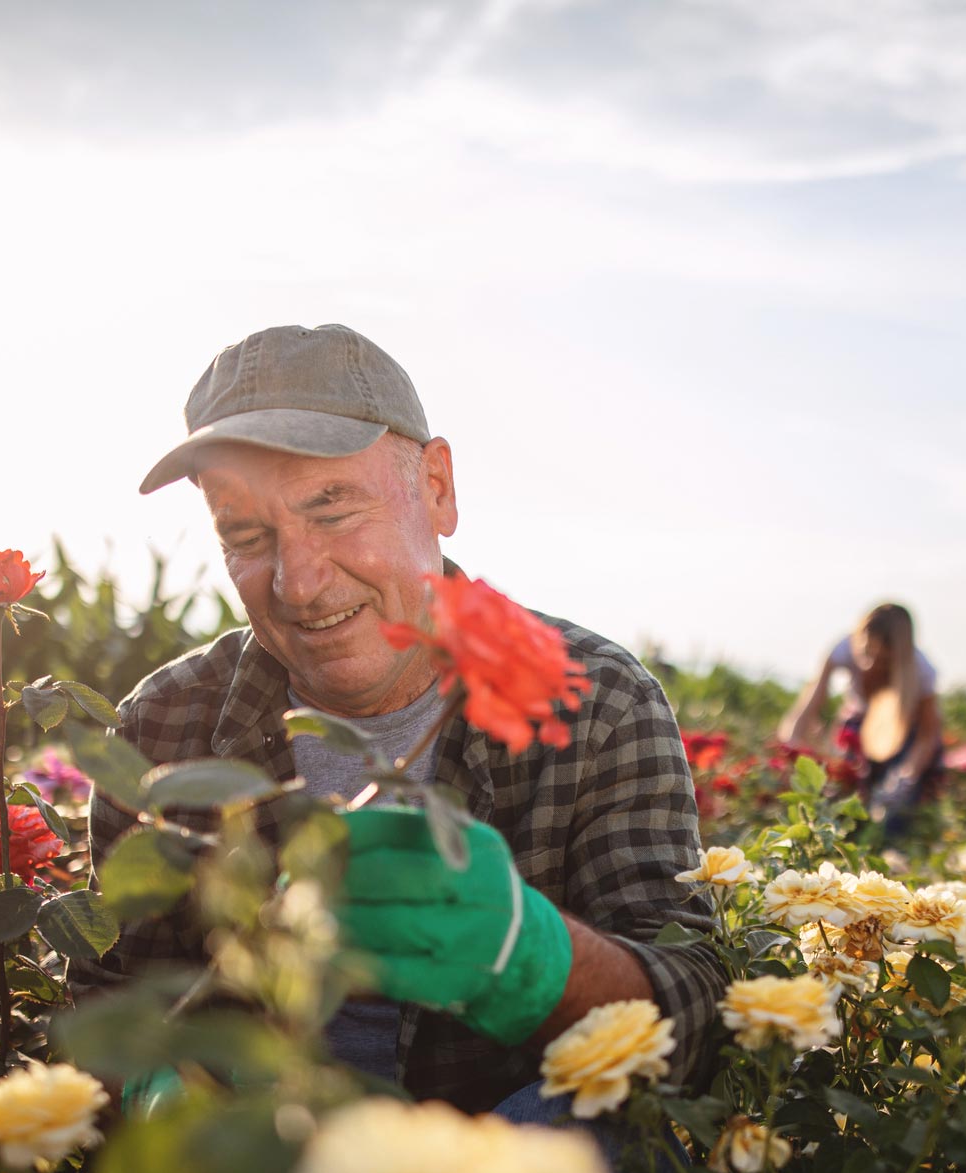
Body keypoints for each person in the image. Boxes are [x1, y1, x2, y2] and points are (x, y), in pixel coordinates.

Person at [72, 323, 723, 1115]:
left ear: (437, 489)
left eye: (333, 508)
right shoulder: (165, 725)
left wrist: (534, 960)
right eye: (245, 534)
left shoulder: (597, 700)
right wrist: (154, 1086)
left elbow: (695, 1012)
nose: (299, 584)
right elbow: (108, 998)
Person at [777, 602, 943, 837]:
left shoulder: (922, 671)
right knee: (842, 802)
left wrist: (905, 777)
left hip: (906, 738)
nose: (872, 665)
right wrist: (789, 745)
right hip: (857, 728)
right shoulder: (844, 649)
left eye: (884, 660)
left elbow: (928, 736)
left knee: (894, 822)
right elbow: (809, 704)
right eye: (867, 654)